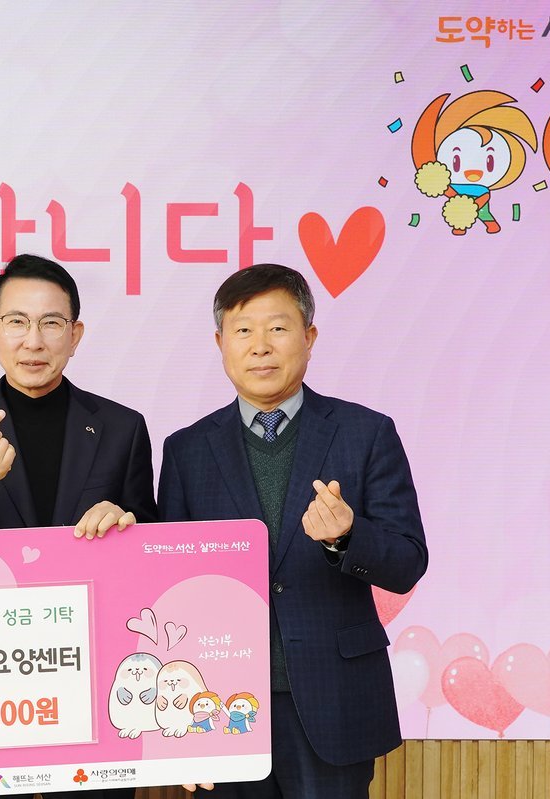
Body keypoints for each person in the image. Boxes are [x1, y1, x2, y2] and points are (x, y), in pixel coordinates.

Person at [159, 264, 427, 798]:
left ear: (309, 337)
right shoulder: (187, 449)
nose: (260, 346)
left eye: (278, 328)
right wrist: (179, 724)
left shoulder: (366, 433)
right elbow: (172, 586)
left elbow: (407, 562)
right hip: (221, 704)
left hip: (334, 697)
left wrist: (347, 538)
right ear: (220, 343)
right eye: (243, 330)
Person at [0, 253, 156, 799]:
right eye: (17, 322)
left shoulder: (123, 428)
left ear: (76, 335)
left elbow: (149, 558)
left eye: (52, 323)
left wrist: (127, 528)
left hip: (92, 679)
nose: (34, 341)